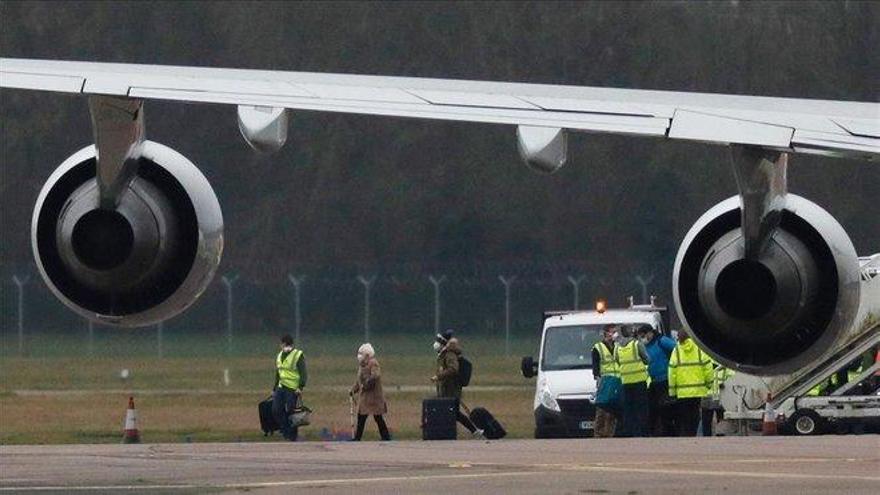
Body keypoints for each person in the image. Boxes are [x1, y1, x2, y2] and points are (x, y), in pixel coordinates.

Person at [431, 329, 483, 438]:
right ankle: (474, 430)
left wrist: (439, 376)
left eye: (439, 341)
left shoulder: (449, 354)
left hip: (451, 389)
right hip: (446, 389)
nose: (436, 343)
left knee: (454, 413)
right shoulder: (443, 354)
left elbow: (453, 369)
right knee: (454, 413)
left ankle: (474, 430)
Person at [668, 329, 713, 436]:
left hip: (682, 392)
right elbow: (708, 367)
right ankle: (693, 433)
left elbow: (671, 372)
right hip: (698, 390)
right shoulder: (699, 349)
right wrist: (708, 384)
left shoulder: (676, 351)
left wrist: (672, 392)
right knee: (695, 414)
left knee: (685, 416)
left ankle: (687, 434)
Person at [350, 343, 391, 441]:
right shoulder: (361, 365)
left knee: (378, 417)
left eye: (362, 353)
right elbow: (358, 381)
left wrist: (367, 382)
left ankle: (386, 437)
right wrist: (353, 390)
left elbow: (375, 375)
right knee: (361, 416)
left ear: (367, 355)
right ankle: (357, 437)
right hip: (365, 397)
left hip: (374, 397)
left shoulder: (373, 363)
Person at [614, 324, 650, 437]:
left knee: (628, 409)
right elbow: (647, 359)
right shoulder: (636, 344)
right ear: (630, 332)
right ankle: (641, 432)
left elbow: (617, 360)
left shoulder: (617, 347)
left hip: (625, 381)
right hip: (639, 381)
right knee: (641, 408)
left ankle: (629, 432)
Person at [640, 324, 676, 436]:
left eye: (644, 335)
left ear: (650, 332)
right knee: (652, 408)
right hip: (653, 381)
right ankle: (655, 432)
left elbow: (676, 349)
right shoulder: (644, 346)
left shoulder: (662, 341)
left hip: (665, 380)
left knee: (666, 407)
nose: (643, 338)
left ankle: (669, 432)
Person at [272, 334, 307, 441]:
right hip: (281, 386)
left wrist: (300, 387)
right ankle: (285, 429)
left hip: (292, 388)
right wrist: (274, 388)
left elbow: (303, 372)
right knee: (276, 410)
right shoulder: (279, 355)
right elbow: (278, 372)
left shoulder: (298, 355)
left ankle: (292, 435)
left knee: (291, 411)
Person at [592, 324, 620, 438]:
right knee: (602, 409)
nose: (614, 334)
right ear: (606, 333)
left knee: (613, 410)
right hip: (604, 381)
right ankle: (598, 434)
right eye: (612, 332)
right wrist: (598, 379)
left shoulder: (618, 346)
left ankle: (610, 434)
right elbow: (595, 367)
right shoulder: (598, 347)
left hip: (616, 380)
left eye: (615, 332)